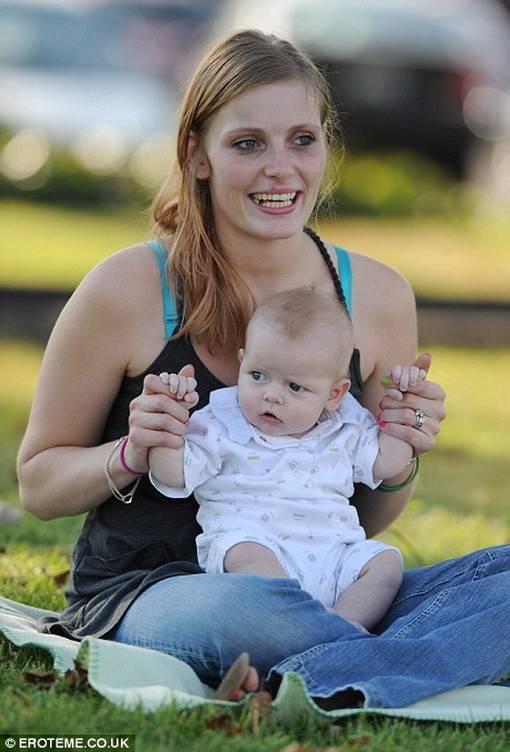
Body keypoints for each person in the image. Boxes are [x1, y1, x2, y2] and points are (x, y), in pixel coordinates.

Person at [16, 29, 509, 709]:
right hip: (160, 592)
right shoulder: (128, 288)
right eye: (248, 144)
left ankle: (324, 669)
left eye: (302, 140)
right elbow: (38, 485)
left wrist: (402, 451)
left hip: (325, 585)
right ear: (197, 155)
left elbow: (363, 518)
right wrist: (131, 453)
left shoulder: (378, 296)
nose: (282, 169)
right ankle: (383, 663)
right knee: (253, 610)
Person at [148, 288, 427, 634]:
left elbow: (387, 463)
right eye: (258, 375)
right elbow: (172, 474)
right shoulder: (220, 421)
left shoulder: (345, 425)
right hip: (255, 543)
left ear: (334, 394)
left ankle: (345, 626)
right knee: (246, 553)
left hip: (333, 553)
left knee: (385, 563)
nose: (271, 395)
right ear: (242, 361)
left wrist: (404, 407)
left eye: (295, 387)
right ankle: (311, 629)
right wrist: (168, 422)